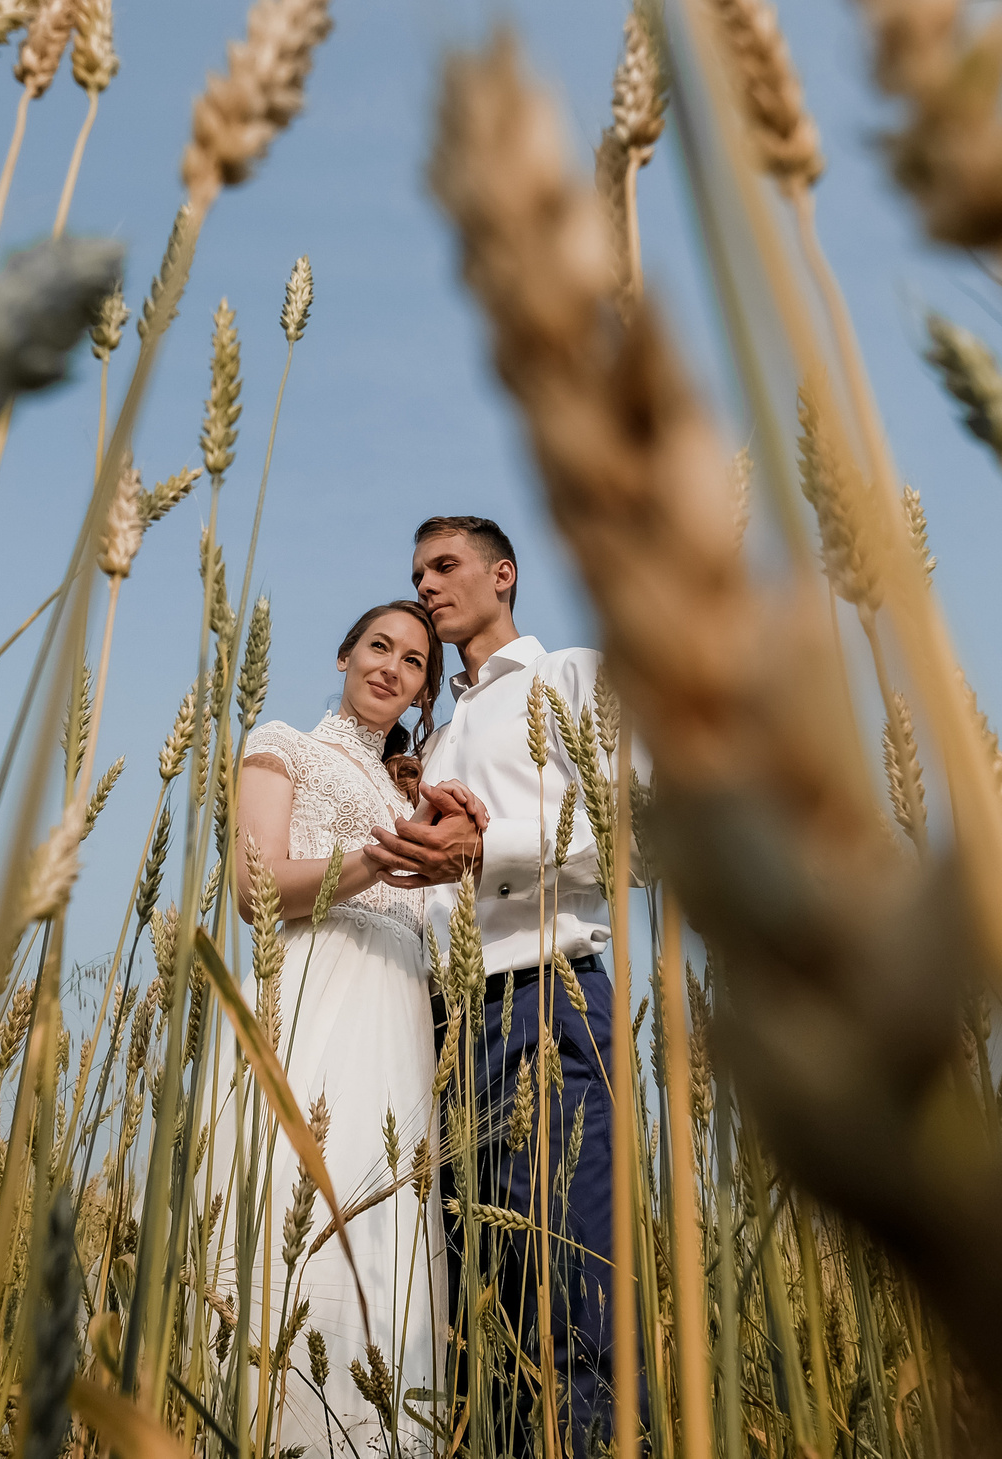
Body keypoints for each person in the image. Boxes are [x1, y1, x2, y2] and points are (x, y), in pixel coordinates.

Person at [367, 515, 624, 1459]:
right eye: (416, 571)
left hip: (546, 999)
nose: (427, 586)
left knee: (571, 1286)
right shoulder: (434, 743)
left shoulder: (570, 677)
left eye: (444, 566)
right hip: (441, 1031)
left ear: (502, 573)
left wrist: (489, 847)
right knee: (480, 1299)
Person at [231, 598, 489, 1457]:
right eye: (378, 646)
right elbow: (252, 883)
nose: (392, 666)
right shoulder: (282, 744)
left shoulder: (410, 789)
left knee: (385, 1240)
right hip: (312, 994)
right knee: (291, 1214)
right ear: (345, 654)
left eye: (414, 661)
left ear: (423, 688)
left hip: (401, 1014)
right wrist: (372, 860)